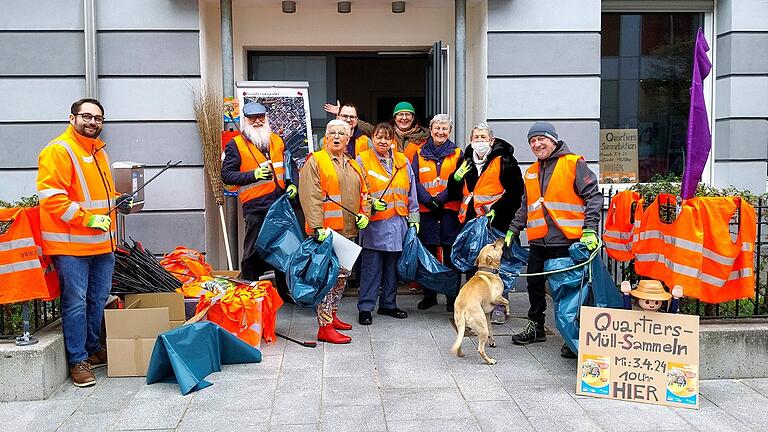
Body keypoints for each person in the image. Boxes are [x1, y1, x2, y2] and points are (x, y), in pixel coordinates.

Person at [37, 98, 133, 387]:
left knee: (98, 299)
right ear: (72, 118)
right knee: (76, 303)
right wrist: (88, 220)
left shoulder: (98, 152)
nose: (93, 122)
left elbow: (98, 195)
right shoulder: (59, 150)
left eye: (98, 118)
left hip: (101, 245)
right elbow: (51, 198)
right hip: (71, 246)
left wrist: (118, 201)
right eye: (87, 117)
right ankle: (78, 360)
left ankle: (91, 350)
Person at [504, 121, 602, 358]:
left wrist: (590, 229)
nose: (537, 144)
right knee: (535, 287)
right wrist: (513, 229)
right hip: (539, 242)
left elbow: (594, 197)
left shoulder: (573, 163)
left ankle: (573, 335)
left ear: (553, 140)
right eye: (532, 141)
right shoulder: (531, 172)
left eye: (541, 139)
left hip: (567, 241)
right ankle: (536, 326)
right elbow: (526, 205)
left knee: (569, 292)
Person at [299, 119, 370, 344]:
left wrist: (365, 213)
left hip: (349, 231)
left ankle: (333, 315)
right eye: (333, 133)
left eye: (342, 133)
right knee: (328, 279)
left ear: (348, 139)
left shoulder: (353, 164)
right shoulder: (315, 161)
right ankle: (325, 326)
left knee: (341, 278)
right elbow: (310, 196)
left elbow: (365, 193)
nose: (337, 136)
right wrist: (316, 227)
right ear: (326, 137)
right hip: (327, 234)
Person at [221, 102, 297, 289]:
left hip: (279, 204)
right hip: (255, 207)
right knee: (253, 249)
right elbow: (227, 175)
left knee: (282, 249)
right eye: (252, 118)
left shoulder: (277, 140)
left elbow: (290, 165)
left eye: (261, 117)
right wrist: (253, 174)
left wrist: (292, 183)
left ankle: (284, 292)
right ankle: (249, 289)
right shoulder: (235, 145)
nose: (257, 121)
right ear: (245, 120)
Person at [454, 123, 524, 324]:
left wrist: (497, 210)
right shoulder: (465, 160)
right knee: (475, 264)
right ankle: (475, 306)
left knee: (499, 265)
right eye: (476, 137)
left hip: (498, 223)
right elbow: (457, 190)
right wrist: (455, 178)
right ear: (471, 140)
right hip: (472, 223)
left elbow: (516, 192)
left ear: (492, 141)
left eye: (484, 137)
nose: (480, 141)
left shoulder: (506, 161)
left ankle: (499, 306)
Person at [356, 123, 420, 325]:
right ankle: (366, 308)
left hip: (398, 223)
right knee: (371, 269)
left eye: (387, 138)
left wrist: (414, 219)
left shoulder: (403, 161)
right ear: (372, 138)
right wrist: (370, 204)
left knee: (393, 268)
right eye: (379, 137)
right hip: (374, 224)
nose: (383, 141)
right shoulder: (362, 159)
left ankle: (388, 305)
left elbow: (412, 193)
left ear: (393, 140)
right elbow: (358, 191)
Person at [412, 113, 463, 311]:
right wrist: (428, 200)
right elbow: (414, 180)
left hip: (450, 211)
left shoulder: (458, 154)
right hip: (427, 212)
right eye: (437, 128)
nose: (440, 132)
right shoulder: (418, 153)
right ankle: (429, 296)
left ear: (449, 131)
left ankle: (452, 298)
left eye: (444, 129)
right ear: (431, 130)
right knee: (428, 256)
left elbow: (459, 181)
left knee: (451, 257)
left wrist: (440, 200)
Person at [324, 100, 429, 161]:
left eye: (408, 114)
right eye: (400, 114)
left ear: (413, 117)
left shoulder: (424, 136)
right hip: (390, 178)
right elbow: (368, 127)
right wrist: (344, 116)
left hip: (414, 178)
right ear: (395, 117)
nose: (404, 118)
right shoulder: (386, 133)